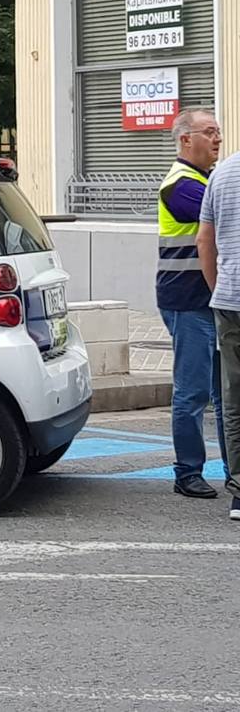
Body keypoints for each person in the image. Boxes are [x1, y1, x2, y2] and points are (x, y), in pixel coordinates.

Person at [157, 109, 228, 500]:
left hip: (211, 300)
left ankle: (231, 468)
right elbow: (223, 220)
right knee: (194, 391)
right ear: (186, 139)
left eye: (219, 132)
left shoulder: (204, 180)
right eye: (209, 132)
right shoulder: (181, 186)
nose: (217, 139)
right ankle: (187, 472)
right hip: (188, 301)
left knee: (224, 391)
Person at [198, 115, 240, 521]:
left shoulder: (222, 174)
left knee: (233, 397)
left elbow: (204, 239)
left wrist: (217, 288)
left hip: (229, 300)